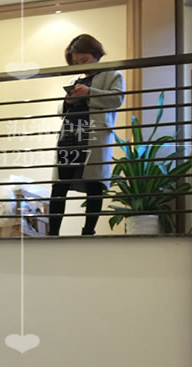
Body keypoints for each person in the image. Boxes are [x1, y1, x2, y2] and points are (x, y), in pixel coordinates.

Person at [48, 34, 125, 236]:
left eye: (84, 59)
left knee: (94, 184)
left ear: (96, 54)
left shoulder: (112, 74)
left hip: (94, 135)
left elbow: (117, 99)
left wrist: (89, 92)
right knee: (59, 185)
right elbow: (61, 110)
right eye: (76, 62)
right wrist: (68, 102)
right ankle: (52, 234)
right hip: (69, 135)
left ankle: (88, 232)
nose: (81, 65)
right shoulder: (74, 80)